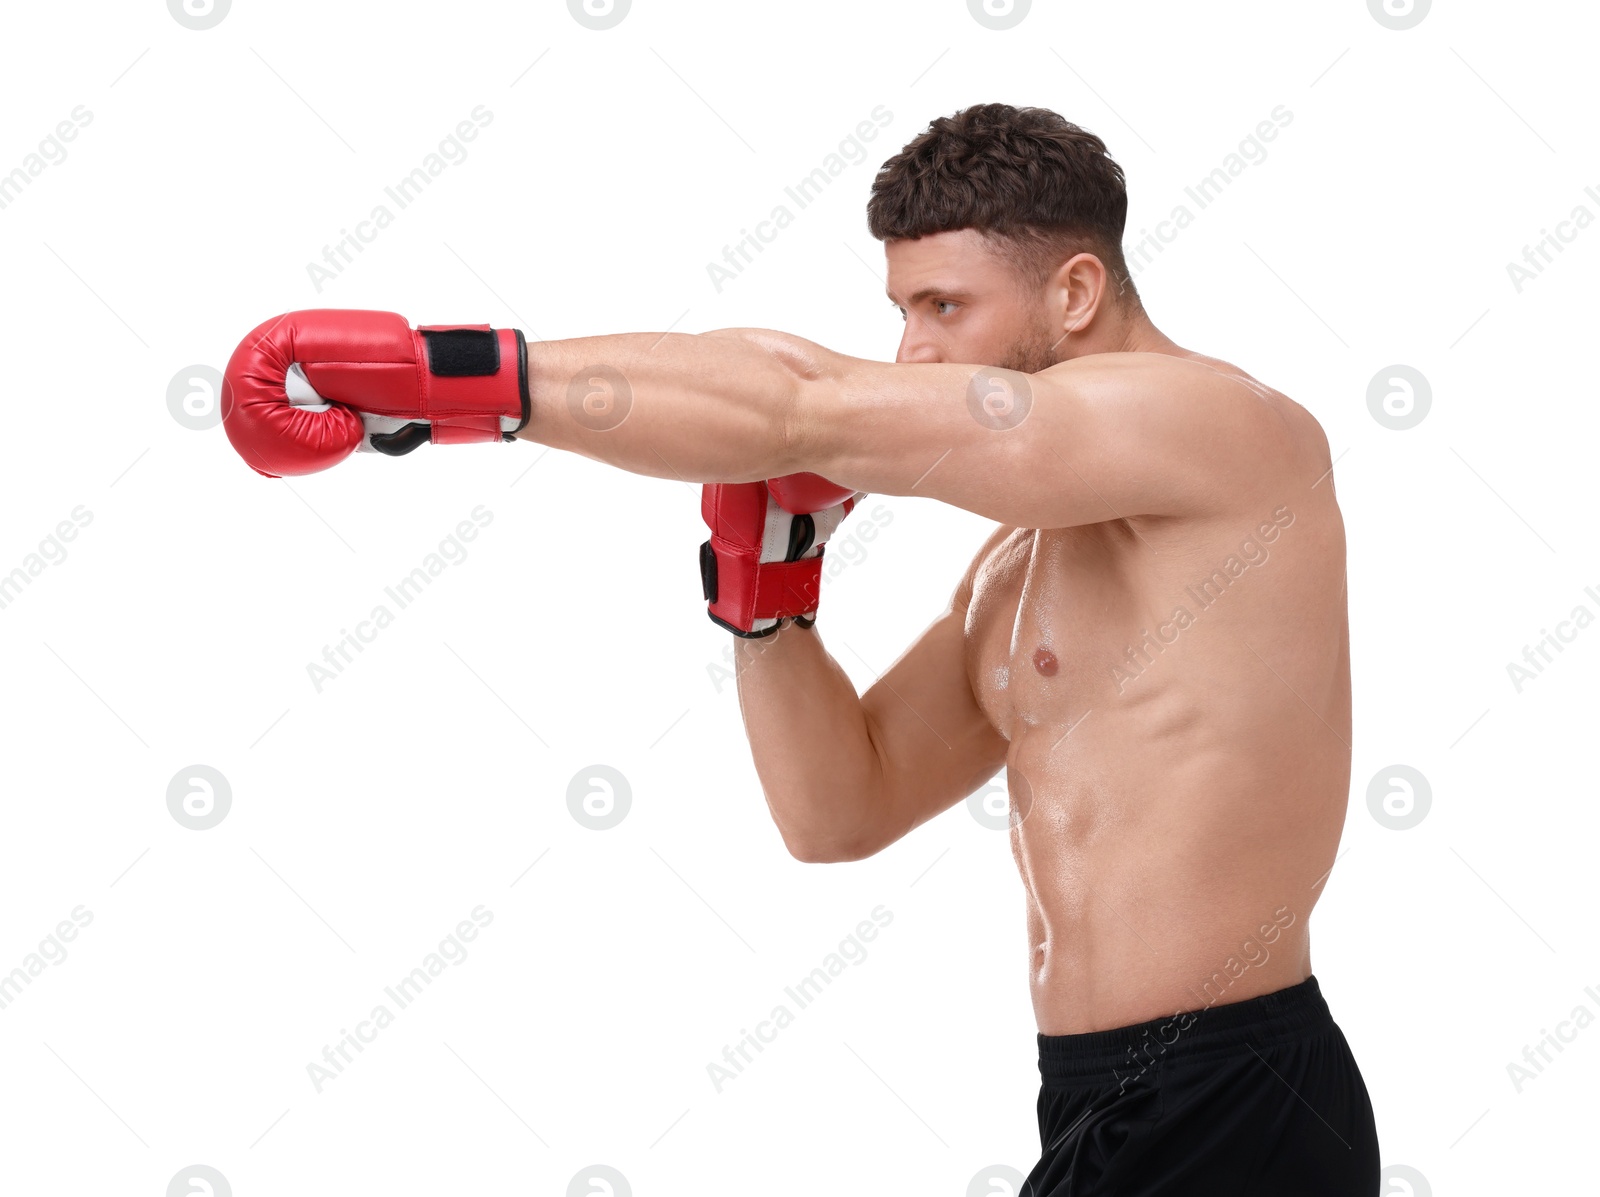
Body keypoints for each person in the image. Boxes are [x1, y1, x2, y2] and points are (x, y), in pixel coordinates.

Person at [221, 102, 1379, 1194]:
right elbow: (841, 810)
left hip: (1236, 1095)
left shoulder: (1223, 428)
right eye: (902, 311)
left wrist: (452, 381)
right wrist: (768, 603)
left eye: (942, 307)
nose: (913, 352)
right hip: (1086, 1098)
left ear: (1075, 289)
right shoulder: (1016, 564)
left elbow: (801, 402)